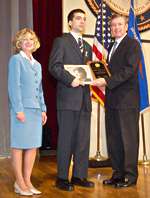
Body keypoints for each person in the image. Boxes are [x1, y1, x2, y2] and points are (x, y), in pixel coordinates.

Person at [92, 14, 141, 188]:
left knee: (128, 139)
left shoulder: (132, 44)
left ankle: (130, 176)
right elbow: (111, 72)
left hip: (127, 101)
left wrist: (106, 81)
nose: (116, 28)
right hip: (112, 100)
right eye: (113, 25)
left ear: (126, 26)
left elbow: (129, 70)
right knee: (114, 139)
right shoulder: (112, 46)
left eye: (120, 25)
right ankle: (118, 173)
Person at [49, 9, 94, 191]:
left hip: (84, 100)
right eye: (78, 18)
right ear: (70, 22)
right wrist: (70, 79)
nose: (82, 21)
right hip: (68, 98)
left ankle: (79, 175)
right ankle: (61, 177)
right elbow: (54, 66)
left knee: (82, 140)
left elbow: (88, 73)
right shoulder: (61, 41)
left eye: (84, 19)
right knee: (66, 139)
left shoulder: (89, 47)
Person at [8, 28, 47, 195]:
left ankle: (27, 181)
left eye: (31, 39)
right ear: (20, 43)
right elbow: (13, 86)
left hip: (36, 111)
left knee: (32, 147)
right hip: (22, 110)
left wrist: (43, 110)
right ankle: (19, 182)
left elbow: (40, 89)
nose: (28, 42)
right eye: (25, 39)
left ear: (35, 42)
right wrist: (18, 109)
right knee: (18, 146)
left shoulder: (37, 64)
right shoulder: (16, 60)